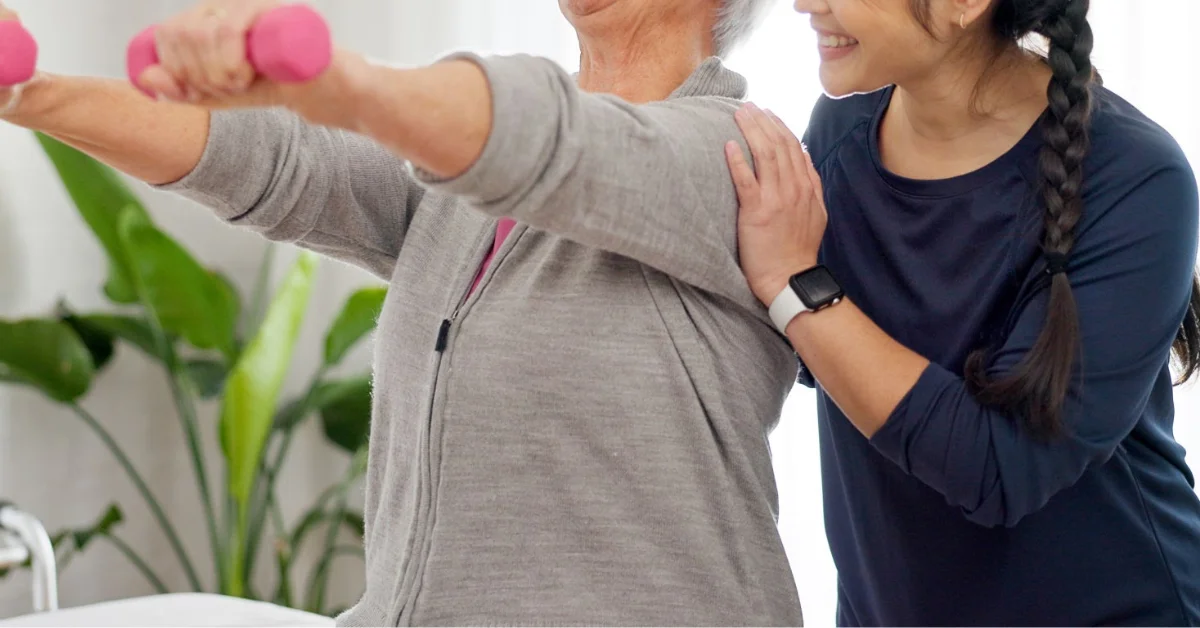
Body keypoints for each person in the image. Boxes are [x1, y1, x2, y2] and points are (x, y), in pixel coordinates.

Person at [0, 0, 807, 625]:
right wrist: (30, 94)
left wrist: (325, 79)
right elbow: (286, 163)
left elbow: (559, 149)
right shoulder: (469, 172)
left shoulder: (734, 160)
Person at [725, 0, 1200, 625]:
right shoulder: (841, 131)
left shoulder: (1137, 177)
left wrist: (797, 285)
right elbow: (825, 361)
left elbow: (1002, 467)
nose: (805, 3)